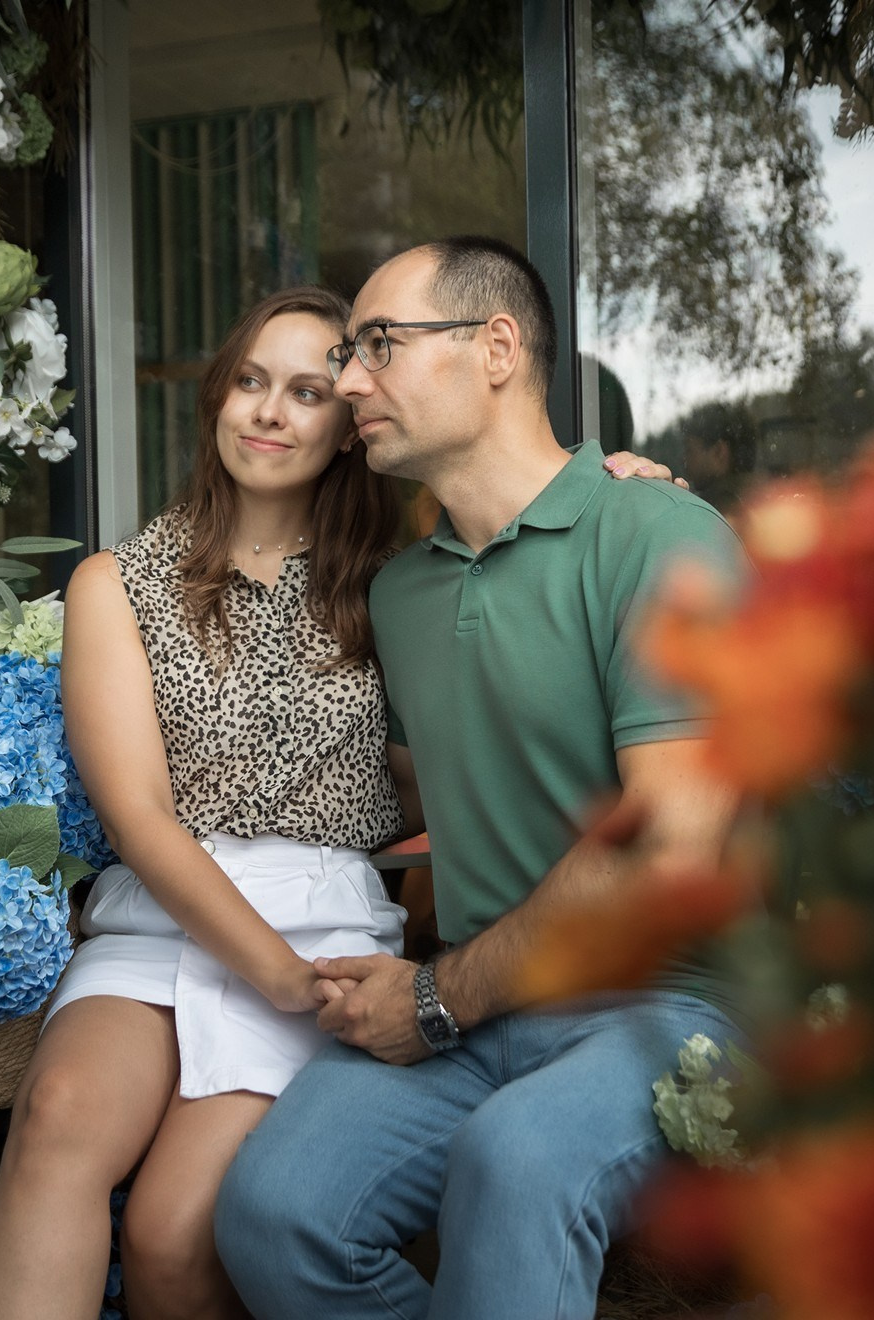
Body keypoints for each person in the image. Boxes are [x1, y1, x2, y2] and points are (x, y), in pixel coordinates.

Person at [0, 284, 683, 1320]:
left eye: (309, 392)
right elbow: (137, 815)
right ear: (217, 395)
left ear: (350, 429)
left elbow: (457, 743)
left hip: (323, 921)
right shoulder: (115, 582)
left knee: (176, 1233)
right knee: (57, 1115)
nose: (269, 411)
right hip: (165, 911)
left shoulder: (396, 587)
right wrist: (276, 975)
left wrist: (625, 490)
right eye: (251, 382)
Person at [212, 237, 749, 1320]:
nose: (349, 379)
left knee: (516, 1164)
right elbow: (393, 803)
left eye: (379, 346)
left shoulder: (656, 536)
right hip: (481, 1006)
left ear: (497, 347)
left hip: (677, 1003)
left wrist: (436, 1000)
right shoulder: (403, 594)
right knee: (277, 1208)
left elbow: (664, 848)